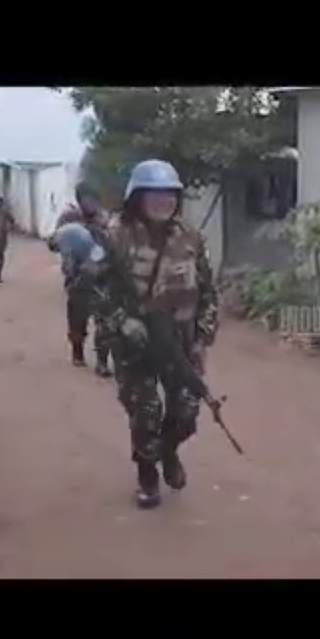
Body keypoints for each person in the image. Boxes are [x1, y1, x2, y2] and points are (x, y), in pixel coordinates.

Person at [93, 160, 219, 510]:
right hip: (135, 342)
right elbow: (90, 286)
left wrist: (203, 336)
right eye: (154, 195)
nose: (163, 202)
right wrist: (121, 321)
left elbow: (208, 291)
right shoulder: (114, 235)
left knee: (186, 414)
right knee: (146, 413)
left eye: (170, 195)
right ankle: (147, 476)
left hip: (180, 341)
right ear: (137, 197)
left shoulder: (190, 237)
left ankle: (168, 451)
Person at [49, 182, 115, 375]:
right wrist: (64, 242)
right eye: (86, 199)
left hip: (102, 277)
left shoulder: (105, 220)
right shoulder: (69, 218)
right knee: (77, 319)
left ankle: (102, 361)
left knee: (105, 321)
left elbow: (115, 245)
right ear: (79, 200)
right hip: (77, 277)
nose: (90, 203)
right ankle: (77, 352)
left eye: (93, 199)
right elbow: (53, 242)